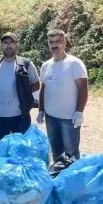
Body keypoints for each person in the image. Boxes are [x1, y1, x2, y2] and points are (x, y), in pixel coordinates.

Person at [37, 29, 88, 160]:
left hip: (69, 118)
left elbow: (83, 89)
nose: (54, 45)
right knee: (56, 152)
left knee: (71, 154)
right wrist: (41, 110)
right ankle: (59, 178)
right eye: (51, 42)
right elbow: (44, 88)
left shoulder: (74, 63)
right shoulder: (46, 65)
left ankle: (73, 179)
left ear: (65, 43)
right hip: (51, 117)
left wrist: (79, 112)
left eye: (58, 42)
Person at [0, 32, 40, 147]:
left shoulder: (26, 64)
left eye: (11, 42)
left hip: (20, 116)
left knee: (21, 149)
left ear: (17, 45)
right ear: (1, 46)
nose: (8, 45)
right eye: (5, 43)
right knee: (1, 148)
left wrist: (25, 97)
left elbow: (36, 84)